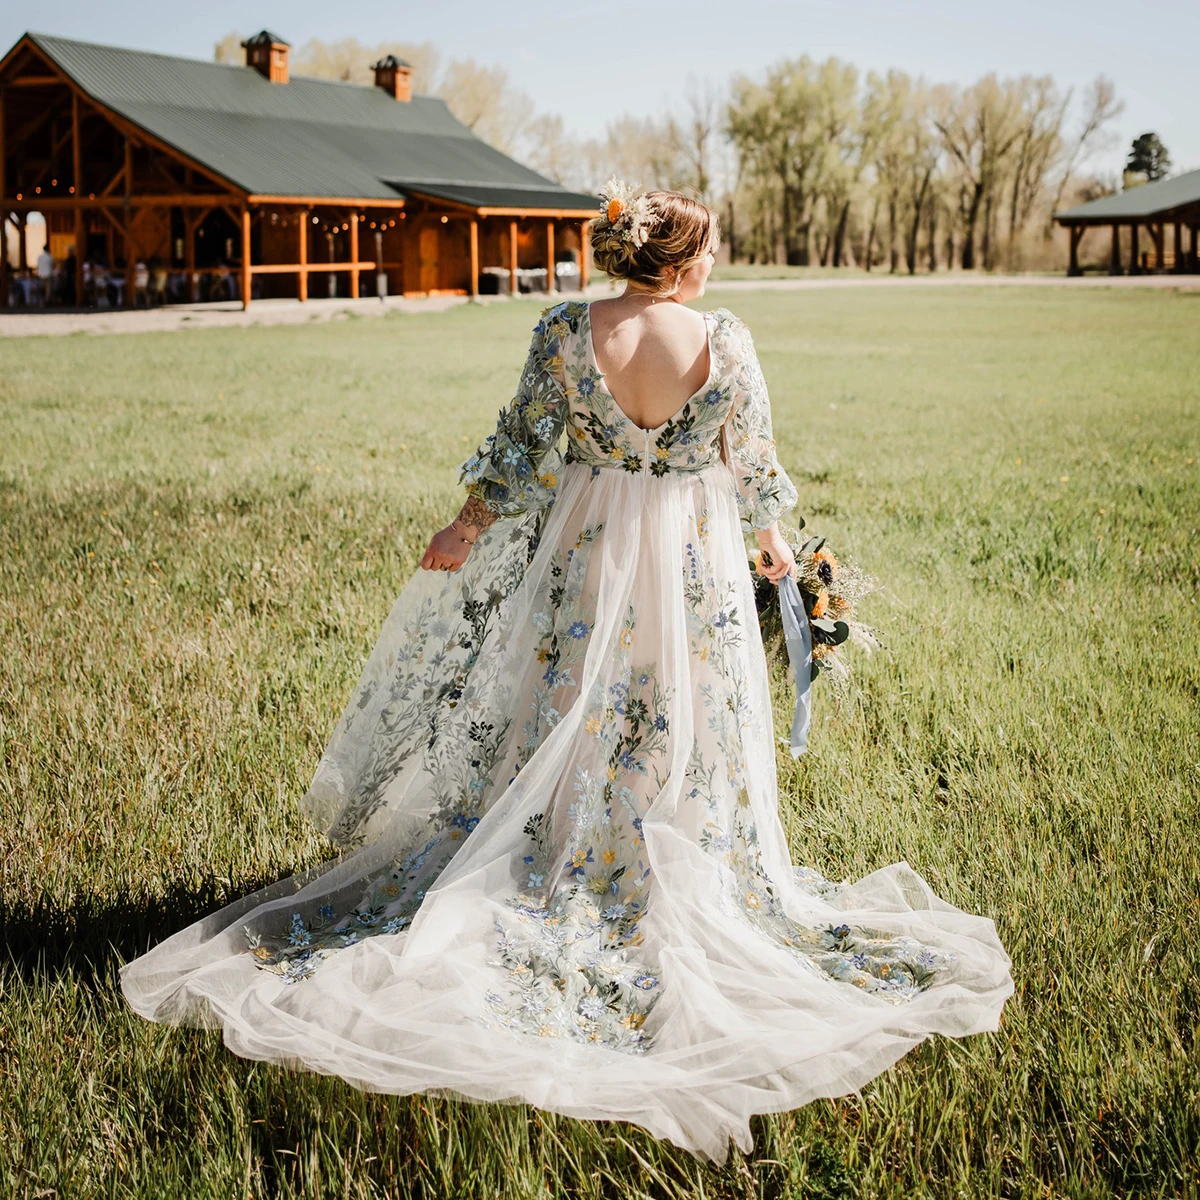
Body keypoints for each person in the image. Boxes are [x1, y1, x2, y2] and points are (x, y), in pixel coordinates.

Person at [119, 180, 1013, 1164]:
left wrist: (464, 527)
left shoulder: (562, 331)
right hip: (687, 559)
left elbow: (518, 452)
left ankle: (558, 849)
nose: (712, 269)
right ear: (675, 264)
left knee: (567, 705)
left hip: (585, 551)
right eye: (705, 255)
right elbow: (752, 469)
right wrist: (780, 558)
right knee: (683, 712)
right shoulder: (725, 339)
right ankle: (662, 849)